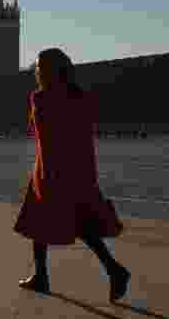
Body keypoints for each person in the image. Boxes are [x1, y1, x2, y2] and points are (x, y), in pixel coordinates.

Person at [13, 47, 131, 302]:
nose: (36, 72)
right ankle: (108, 270)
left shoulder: (42, 100)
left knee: (44, 221)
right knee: (78, 225)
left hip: (50, 172)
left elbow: (40, 134)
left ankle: (112, 270)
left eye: (38, 68)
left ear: (46, 72)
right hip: (79, 171)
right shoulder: (81, 98)